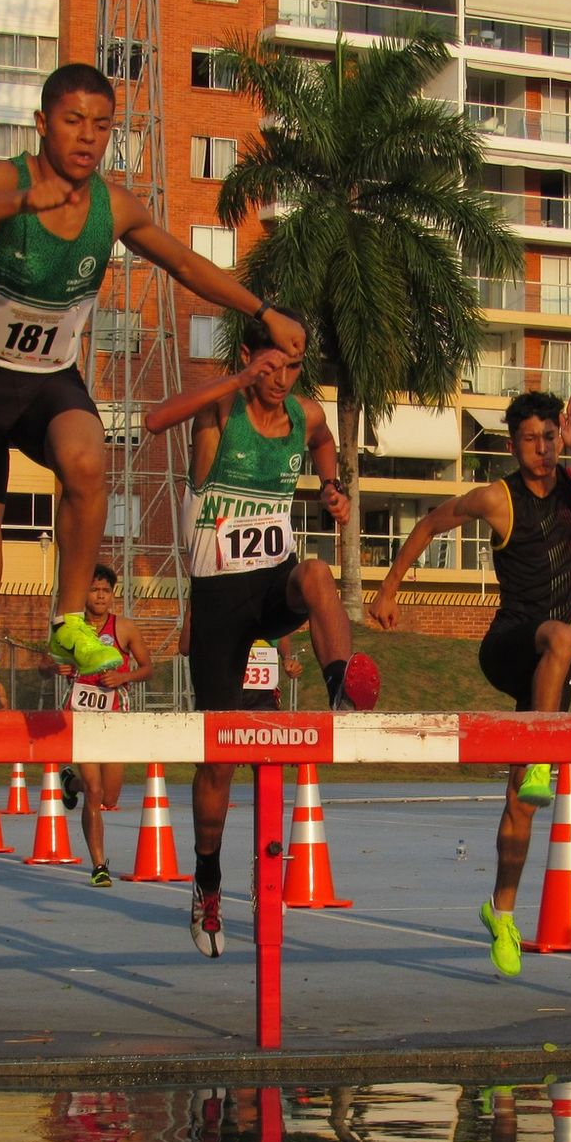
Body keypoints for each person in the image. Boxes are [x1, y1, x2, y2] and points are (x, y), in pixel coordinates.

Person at [0, 62, 307, 730]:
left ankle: (69, 621)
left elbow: (183, 262)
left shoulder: (114, 206)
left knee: (87, 457)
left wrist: (263, 310)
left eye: (101, 125)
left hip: (47, 380)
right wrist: (22, 204)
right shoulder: (4, 182)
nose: (87, 137)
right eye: (73, 121)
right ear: (42, 124)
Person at [367, 390, 571, 978]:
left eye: (551, 437)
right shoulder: (498, 497)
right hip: (511, 644)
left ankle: (502, 912)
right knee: (559, 637)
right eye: (532, 440)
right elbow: (431, 523)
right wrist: (388, 588)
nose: (544, 449)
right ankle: (539, 757)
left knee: (521, 802)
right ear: (514, 445)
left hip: (551, 668)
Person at [142, 313, 380, 958]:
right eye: (270, 366)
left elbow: (324, 436)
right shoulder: (221, 416)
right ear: (250, 358)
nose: (281, 379)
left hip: (272, 582)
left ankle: (341, 689)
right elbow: (155, 420)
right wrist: (238, 379)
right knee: (217, 760)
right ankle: (207, 882)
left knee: (316, 573)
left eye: (292, 367)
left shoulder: (303, 414)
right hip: (219, 598)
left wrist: (331, 486)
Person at [54, 563, 152, 886]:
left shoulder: (124, 628)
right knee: (94, 791)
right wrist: (58, 668)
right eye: (94, 590)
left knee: (108, 798)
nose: (99, 596)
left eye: (105, 591)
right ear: (83, 593)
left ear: (112, 595)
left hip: (113, 719)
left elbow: (147, 667)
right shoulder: (70, 628)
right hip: (81, 716)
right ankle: (99, 866)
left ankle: (70, 784)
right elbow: (45, 663)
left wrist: (123, 677)